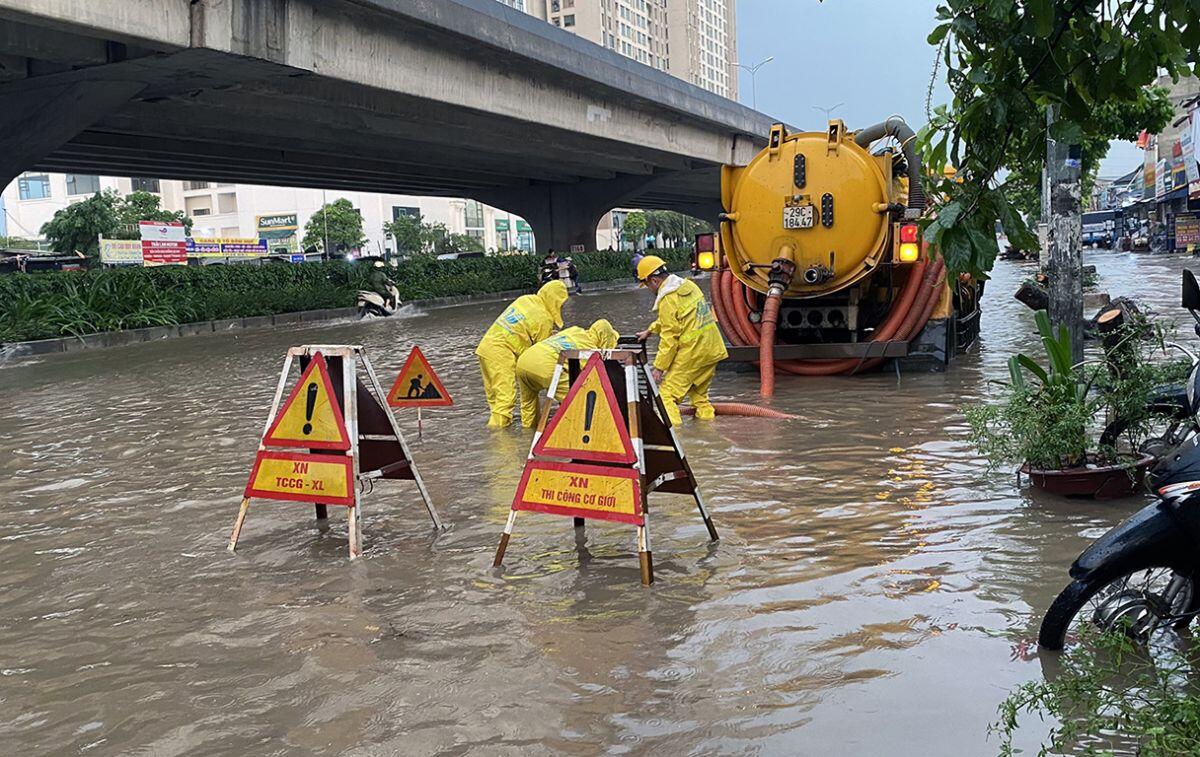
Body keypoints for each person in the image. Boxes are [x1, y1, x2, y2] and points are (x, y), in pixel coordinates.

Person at [634, 255, 727, 424]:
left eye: (646, 284)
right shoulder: (688, 286)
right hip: (712, 349)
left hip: (693, 353)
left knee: (666, 395)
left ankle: (676, 439)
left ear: (654, 280)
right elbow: (679, 317)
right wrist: (650, 330)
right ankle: (708, 432)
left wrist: (659, 368)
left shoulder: (668, 299)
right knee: (699, 398)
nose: (648, 288)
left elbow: (670, 338)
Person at [475, 280, 570, 428]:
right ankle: (501, 443)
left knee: (494, 400)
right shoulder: (544, 319)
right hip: (502, 353)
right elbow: (540, 353)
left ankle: (497, 429)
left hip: (485, 348)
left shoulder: (526, 299)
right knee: (505, 402)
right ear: (555, 300)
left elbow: (523, 328)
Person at [515, 319, 620, 428]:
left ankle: (527, 436)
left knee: (528, 407)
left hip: (523, 362)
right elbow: (591, 374)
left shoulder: (574, 330)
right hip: (546, 367)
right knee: (579, 404)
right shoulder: (590, 347)